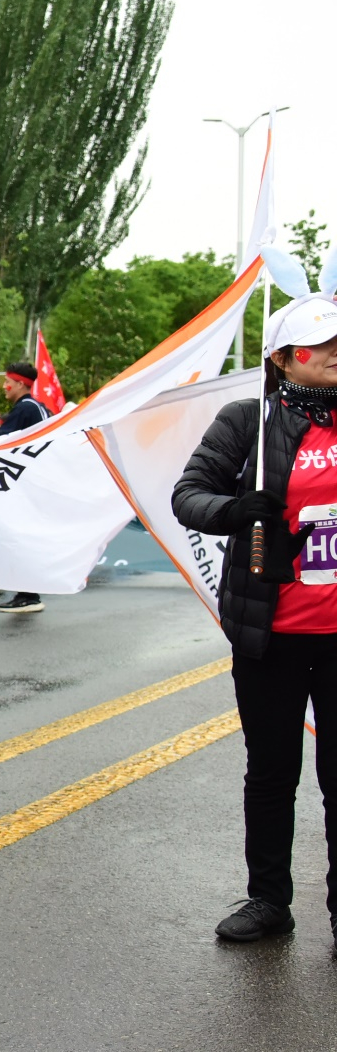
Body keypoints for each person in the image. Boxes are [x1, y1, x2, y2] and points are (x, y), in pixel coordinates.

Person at [172, 288, 337, 951]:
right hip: (271, 635)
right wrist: (236, 510)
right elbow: (189, 495)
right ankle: (270, 900)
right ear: (284, 358)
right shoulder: (249, 421)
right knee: (272, 772)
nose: (334, 352)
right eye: (320, 344)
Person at [0, 362, 53, 614]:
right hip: (36, 483)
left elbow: (0, 446)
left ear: (21, 384)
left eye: (8, 382)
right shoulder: (39, 408)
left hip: (25, 486)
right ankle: (27, 592)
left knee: (19, 538)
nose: (4, 386)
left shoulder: (25, 409)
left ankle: (29, 594)